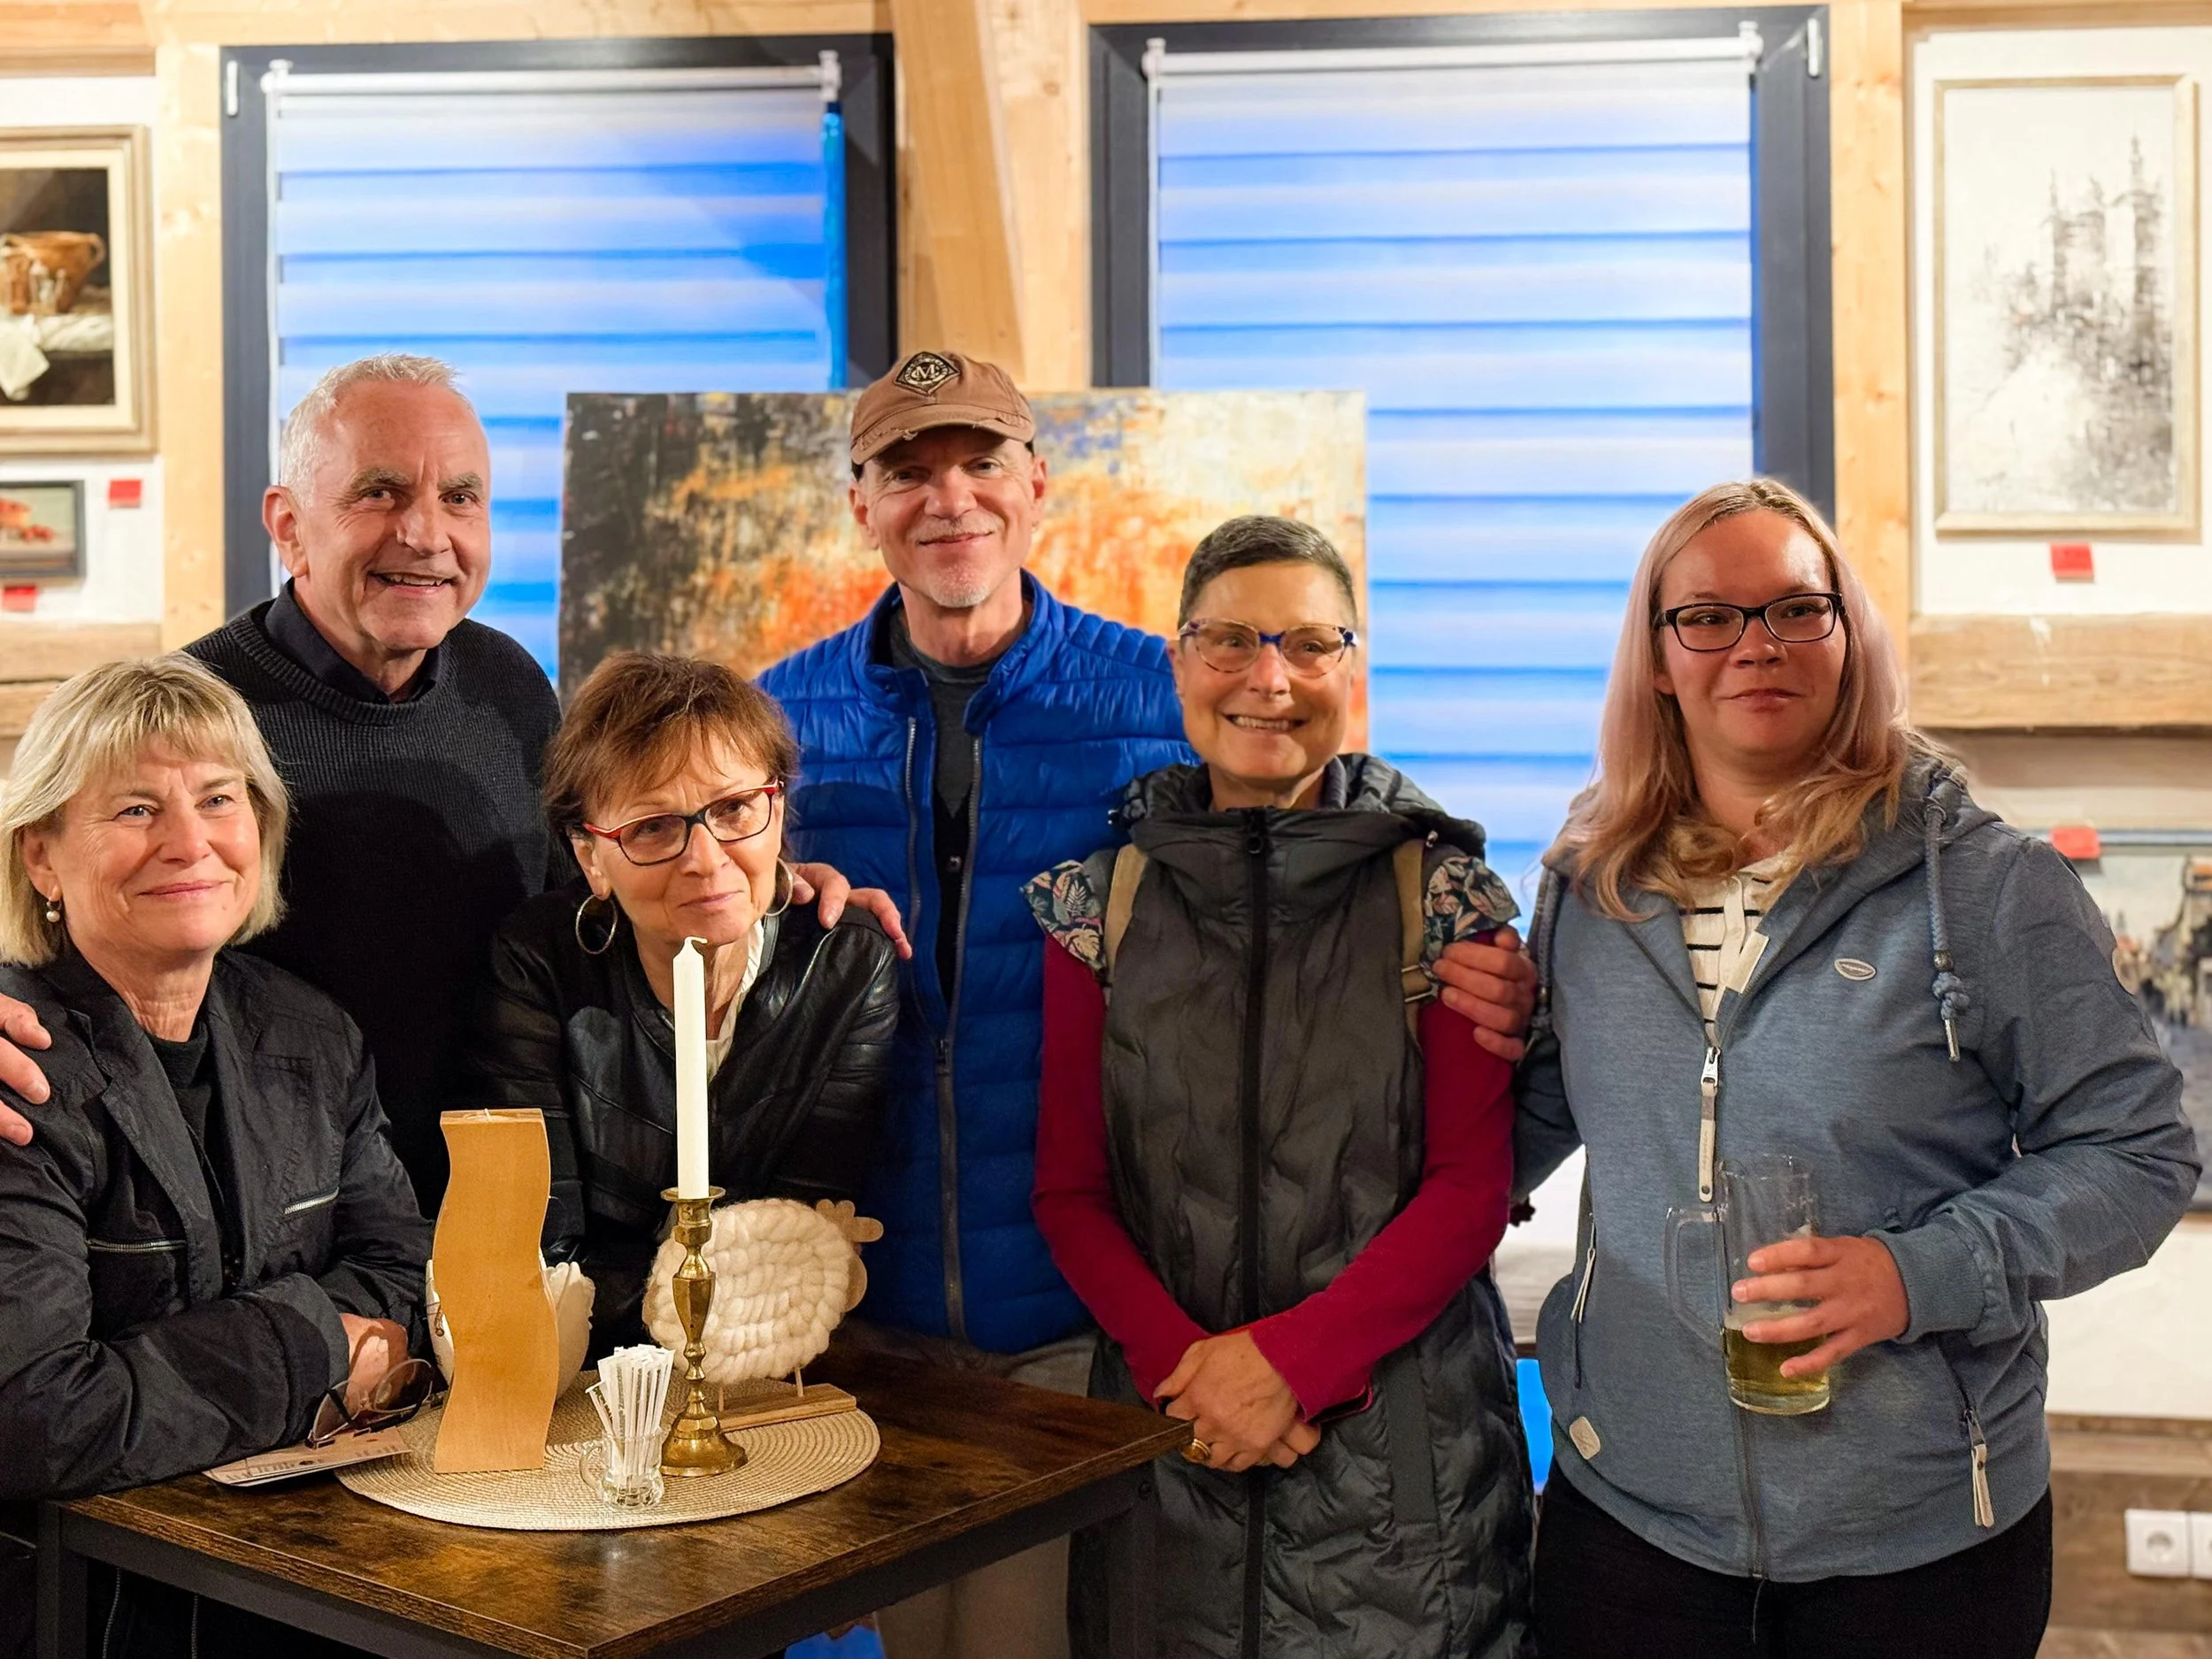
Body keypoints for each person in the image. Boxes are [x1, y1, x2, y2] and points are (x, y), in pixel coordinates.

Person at [762, 350, 1539, 1659]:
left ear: (1036, 483)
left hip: (1082, 1324)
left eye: (981, 461)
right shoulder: (784, 716)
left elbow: (1320, 806)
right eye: (908, 468)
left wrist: (1475, 927)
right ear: (860, 499)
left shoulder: (1155, 694)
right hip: (872, 1306)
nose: (949, 497)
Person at [1515, 479, 2201, 1659]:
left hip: (1919, 1541)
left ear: (1848, 635)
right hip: (1628, 1520)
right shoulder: (1591, 885)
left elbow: (2142, 1155)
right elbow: (1532, 1115)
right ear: (1659, 656)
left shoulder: (1986, 886)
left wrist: (1918, 1269)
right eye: (1711, 617)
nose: (1757, 646)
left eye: (1795, 609)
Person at [0, 353, 898, 1202]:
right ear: (286, 525)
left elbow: (589, 906)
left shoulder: (507, 686)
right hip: (273, 1214)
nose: (425, 533)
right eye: (380, 492)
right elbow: (51, 894)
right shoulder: (191, 720)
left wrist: (761, 893)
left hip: (516, 1201)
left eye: (459, 497)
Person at [1025, 517, 1534, 1659]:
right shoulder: (1092, 908)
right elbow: (1070, 1191)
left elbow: (1468, 1186)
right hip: (1166, 1454)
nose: (1270, 678)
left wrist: (1289, 1364)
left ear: (1353, 667)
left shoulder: (1444, 896)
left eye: (1311, 644)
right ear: (1179, 659)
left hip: (1405, 1476)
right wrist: (1198, 1378)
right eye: (1232, 642)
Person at [0, 656, 431, 1659]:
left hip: (306, 1594)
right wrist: (321, 1344)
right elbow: (33, 1417)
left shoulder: (313, 1034)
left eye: (218, 800)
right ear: (42, 858)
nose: (190, 843)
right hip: (76, 1614)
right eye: (136, 810)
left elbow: (405, 1281)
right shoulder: (17, 1072)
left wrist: (174, 1375)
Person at [461, 653, 901, 1356]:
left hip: (772, 1367)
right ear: (590, 859)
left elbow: (802, 1241)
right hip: (585, 1374)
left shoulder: (844, 963)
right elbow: (546, 1256)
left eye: (733, 809)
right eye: (654, 828)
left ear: (777, 808)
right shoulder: (539, 964)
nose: (705, 857)